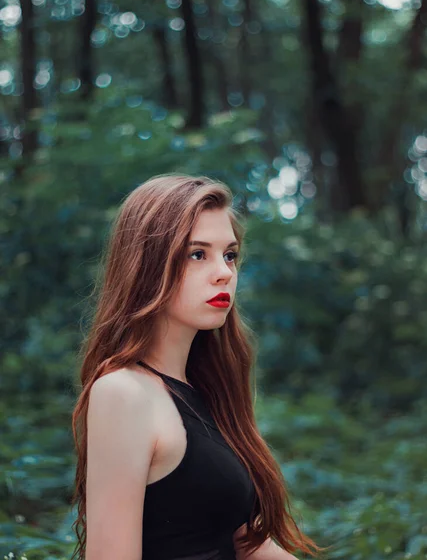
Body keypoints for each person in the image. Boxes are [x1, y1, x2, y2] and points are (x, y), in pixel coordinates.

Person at [70, 174, 328, 560]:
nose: (225, 272)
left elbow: (242, 541)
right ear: (147, 265)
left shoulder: (205, 392)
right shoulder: (124, 392)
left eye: (230, 255)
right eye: (197, 254)